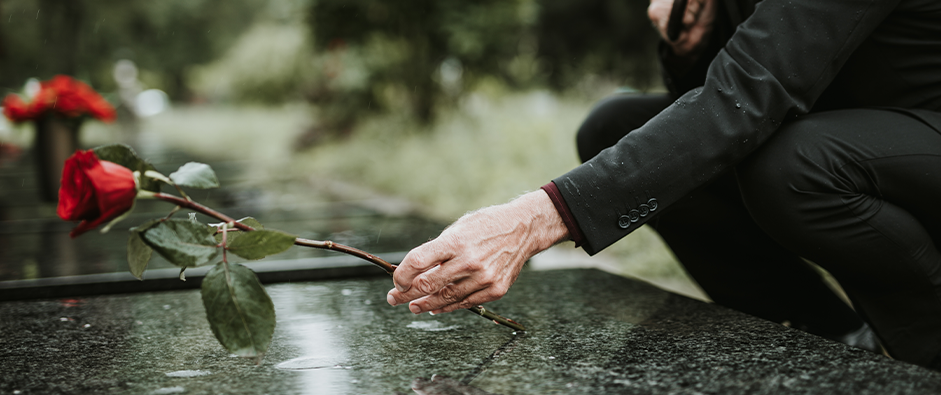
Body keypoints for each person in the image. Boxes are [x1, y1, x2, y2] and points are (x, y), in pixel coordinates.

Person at [386, 0, 941, 370]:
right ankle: (827, 344)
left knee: (799, 165)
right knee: (615, 127)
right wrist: (693, 42)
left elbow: (749, 98)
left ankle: (925, 353)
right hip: (855, 133)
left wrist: (535, 219)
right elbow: (718, 102)